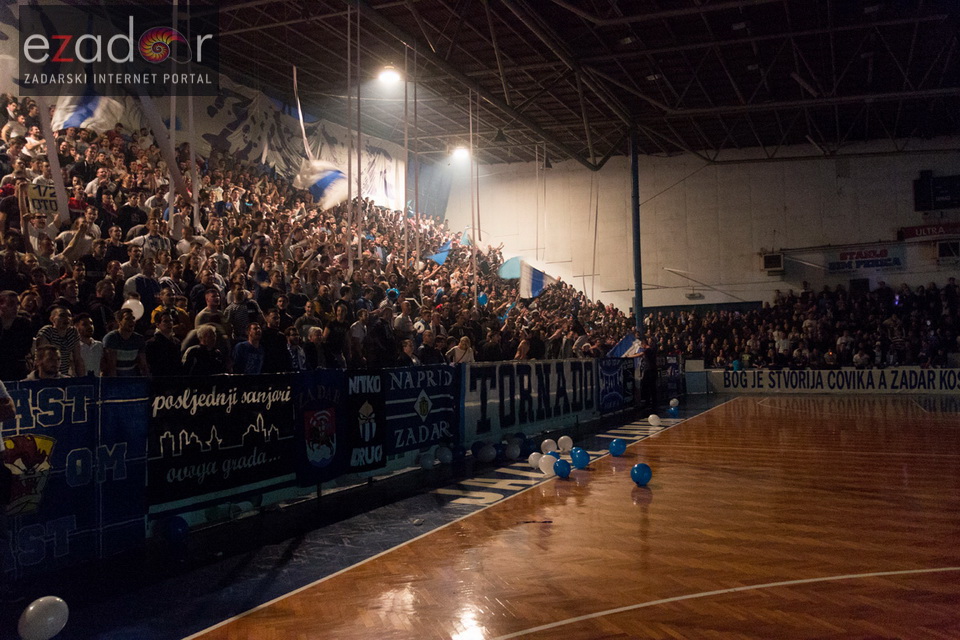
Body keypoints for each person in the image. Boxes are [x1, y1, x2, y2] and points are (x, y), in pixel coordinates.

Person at [103, 307, 148, 376]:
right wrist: (114, 381)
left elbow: (143, 364)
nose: (131, 321)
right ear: (119, 321)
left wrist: (146, 378)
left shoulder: (138, 339)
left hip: (132, 377)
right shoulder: (111, 338)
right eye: (127, 319)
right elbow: (111, 367)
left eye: (133, 318)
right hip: (117, 378)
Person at [144, 310, 182, 377]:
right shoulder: (151, 344)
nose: (170, 323)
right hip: (159, 378)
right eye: (165, 321)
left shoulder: (176, 342)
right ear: (158, 325)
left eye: (171, 321)